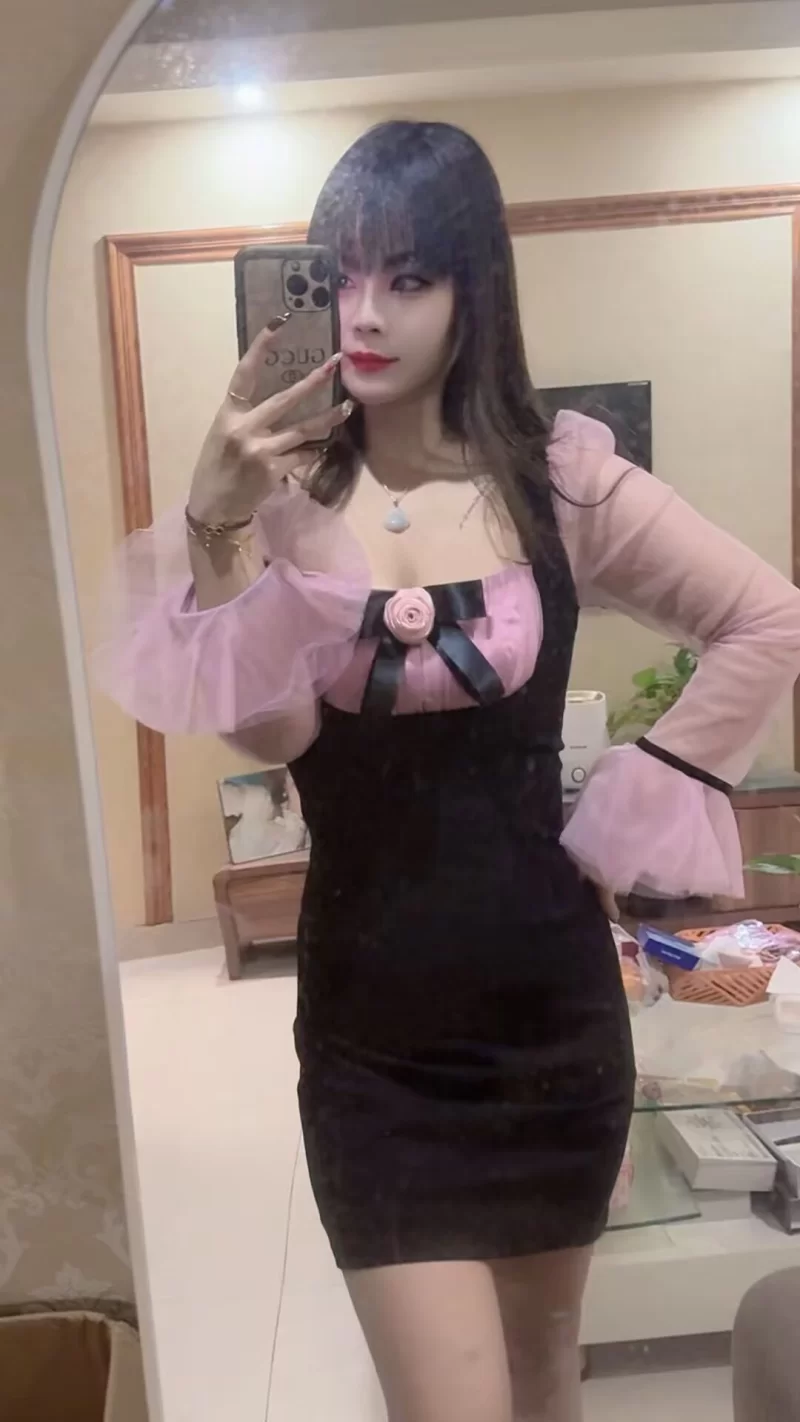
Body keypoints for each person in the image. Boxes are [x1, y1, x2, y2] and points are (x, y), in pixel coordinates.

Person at [96, 121, 800, 1422]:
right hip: (372, 1049)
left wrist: (648, 782)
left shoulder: (561, 485)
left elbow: (768, 616)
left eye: (409, 277)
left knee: (545, 1385)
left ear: (475, 289)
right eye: (343, 276)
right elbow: (269, 733)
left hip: (554, 1024)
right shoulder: (287, 507)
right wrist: (214, 523)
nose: (367, 313)